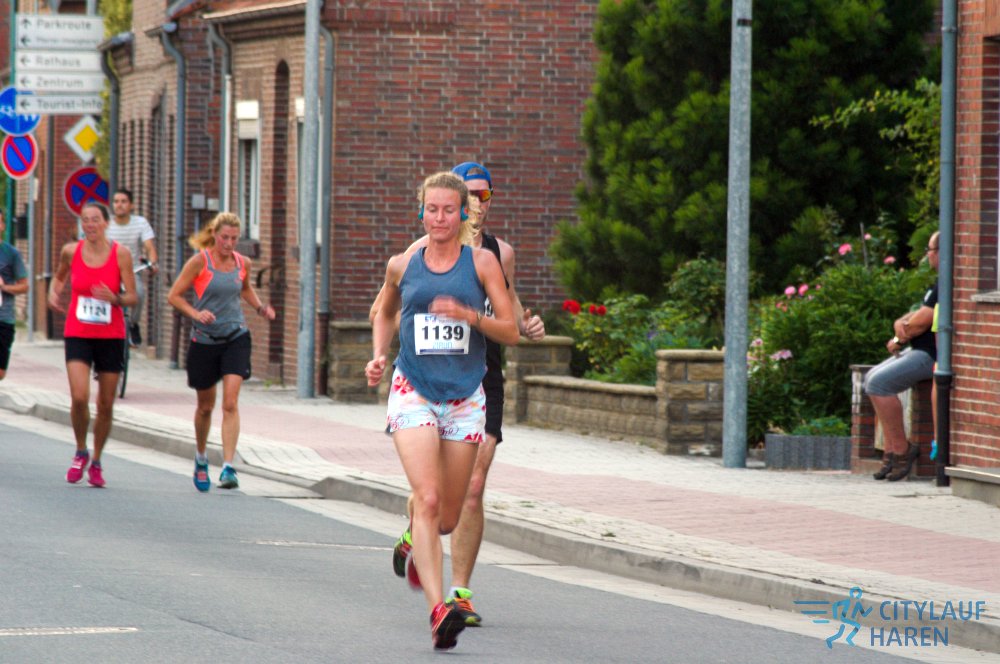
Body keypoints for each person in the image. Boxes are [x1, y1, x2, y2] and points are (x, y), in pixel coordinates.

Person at [374, 161, 545, 626]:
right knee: (432, 497)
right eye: (437, 207)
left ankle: (432, 547)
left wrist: (515, 322)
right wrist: (379, 354)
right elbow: (384, 308)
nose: (468, 205)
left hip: (476, 379)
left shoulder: (496, 255)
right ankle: (442, 597)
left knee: (462, 499)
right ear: (426, 210)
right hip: (419, 381)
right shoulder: (411, 256)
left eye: (478, 197)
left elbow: (509, 310)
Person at [167, 213, 275, 492]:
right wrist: (196, 313)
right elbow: (174, 295)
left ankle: (228, 466)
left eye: (234, 239)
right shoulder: (199, 262)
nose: (228, 243)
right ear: (214, 234)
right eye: (224, 237)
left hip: (236, 337)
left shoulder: (243, 263)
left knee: (230, 403)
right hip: (204, 340)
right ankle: (201, 456)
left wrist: (260, 308)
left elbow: (245, 288)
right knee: (205, 407)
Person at [47, 202, 138, 487]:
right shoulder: (71, 251)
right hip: (78, 331)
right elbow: (59, 277)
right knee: (79, 396)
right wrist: (53, 293)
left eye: (95, 219)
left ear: (106, 223)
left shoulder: (121, 254)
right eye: (85, 220)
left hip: (111, 335)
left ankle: (96, 460)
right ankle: (80, 450)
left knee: (106, 404)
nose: (90, 225)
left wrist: (115, 299)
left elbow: (133, 296)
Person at [864, 231, 940, 482]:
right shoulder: (937, 284)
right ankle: (890, 448)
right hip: (917, 349)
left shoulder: (946, 284)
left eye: (929, 250)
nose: (927, 256)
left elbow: (918, 324)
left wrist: (900, 335)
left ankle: (902, 450)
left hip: (930, 354)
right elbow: (913, 316)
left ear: (941, 253)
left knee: (879, 383)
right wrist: (901, 325)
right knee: (870, 377)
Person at [106, 188, 158, 347]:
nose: (119, 205)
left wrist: (152, 263)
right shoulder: (106, 224)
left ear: (131, 205)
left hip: (131, 270)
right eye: (116, 202)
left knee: (139, 294)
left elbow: (149, 247)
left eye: (123, 202)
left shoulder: (140, 223)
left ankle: (133, 323)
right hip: (108, 270)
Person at [0, 210, 29, 381]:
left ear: (3, 226)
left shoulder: (11, 254)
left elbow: (24, 286)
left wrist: (4, 287)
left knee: (1, 372)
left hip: (4, 318)